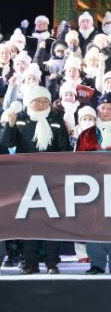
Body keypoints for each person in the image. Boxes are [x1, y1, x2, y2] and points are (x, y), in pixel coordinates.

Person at [0, 86, 71, 274]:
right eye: (37, 101)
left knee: (52, 220)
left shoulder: (56, 121)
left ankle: (52, 262)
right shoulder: (20, 119)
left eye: (45, 100)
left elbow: (65, 150)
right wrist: (10, 126)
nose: (41, 104)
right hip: (26, 178)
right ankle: (30, 262)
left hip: (52, 178)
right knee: (29, 221)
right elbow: (7, 144)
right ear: (28, 102)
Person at [76, 93, 111, 275]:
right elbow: (77, 162)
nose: (105, 111)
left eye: (110, 108)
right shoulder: (86, 134)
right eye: (102, 108)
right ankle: (97, 263)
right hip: (93, 186)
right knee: (93, 224)